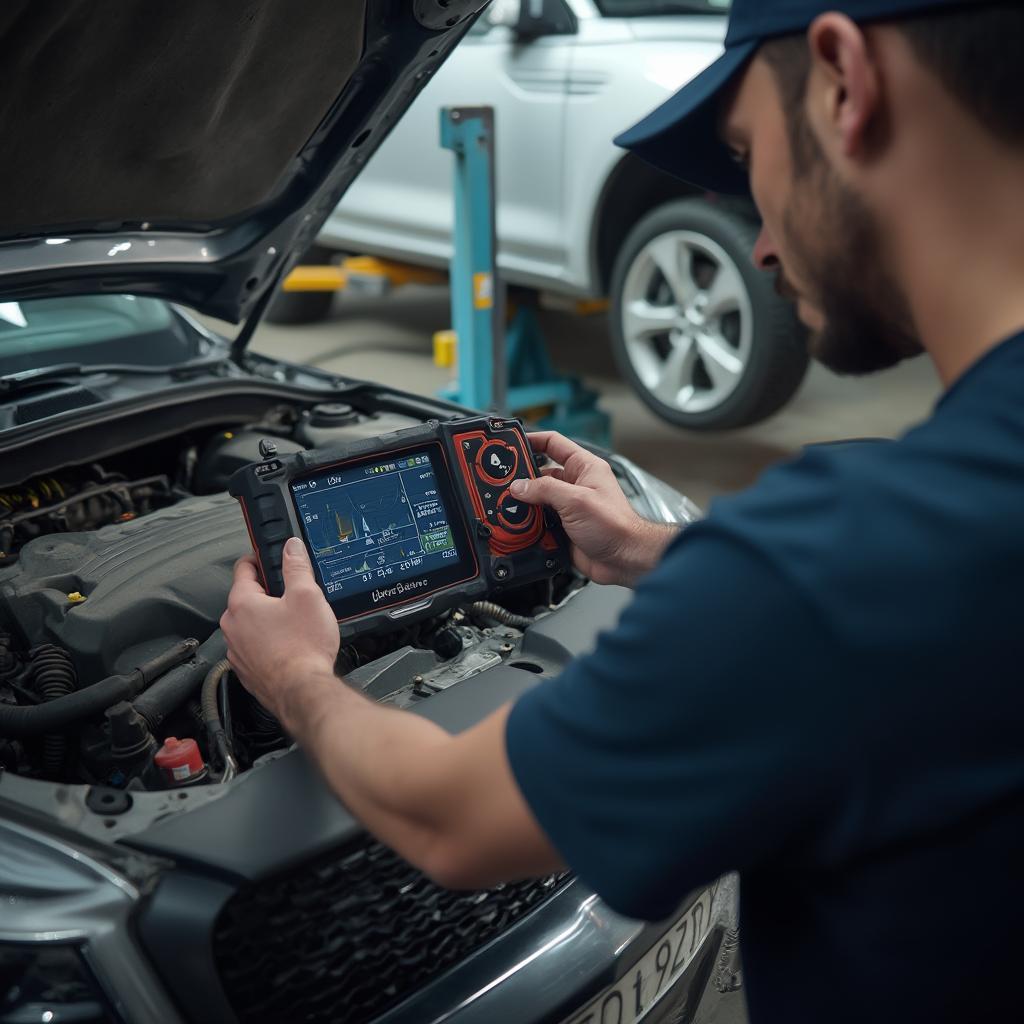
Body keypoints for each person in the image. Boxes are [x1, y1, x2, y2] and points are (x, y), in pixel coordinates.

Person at [221, 0, 1024, 1019]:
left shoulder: (848, 553)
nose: (763, 245)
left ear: (842, 81)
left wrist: (293, 676)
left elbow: (449, 822)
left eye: (744, 157)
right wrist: (649, 547)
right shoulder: (909, 540)